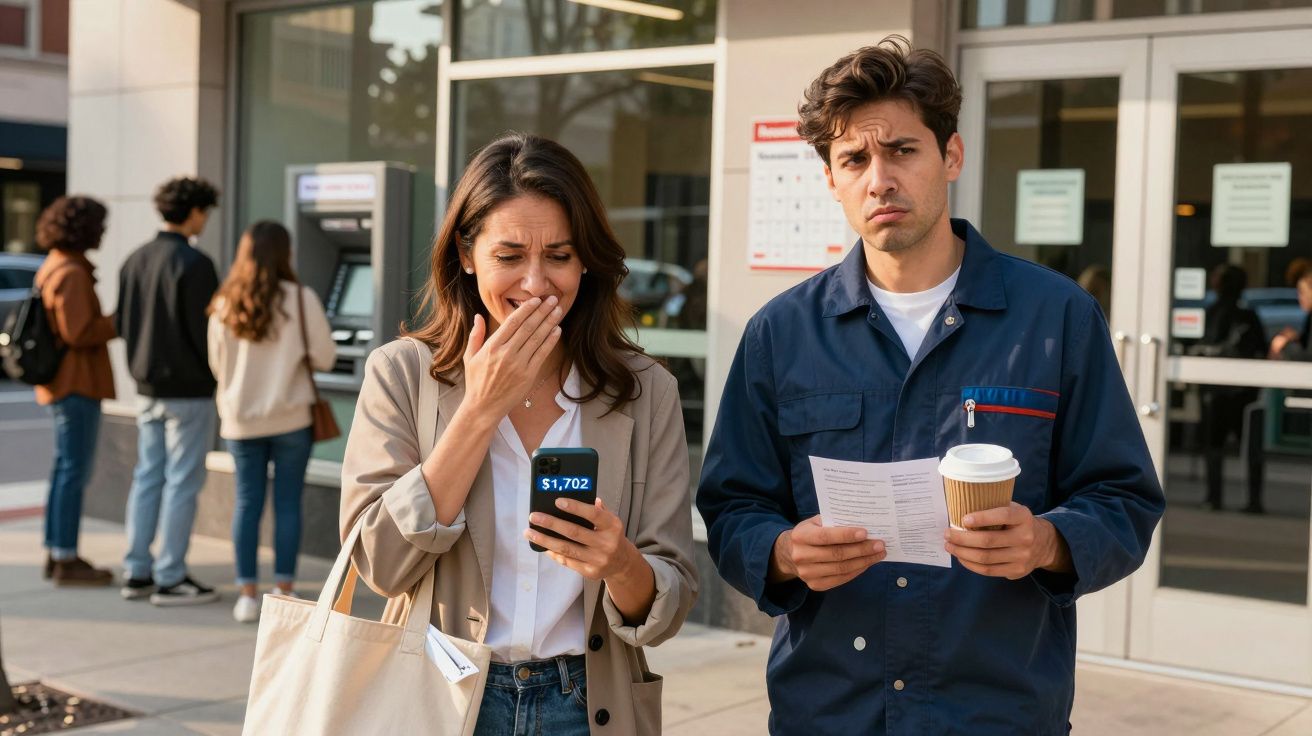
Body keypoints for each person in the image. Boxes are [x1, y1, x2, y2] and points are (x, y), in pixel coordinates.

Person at [696, 38, 1165, 734]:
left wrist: (1045, 542)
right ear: (831, 179)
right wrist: (783, 552)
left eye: (903, 151)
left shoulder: (1056, 318)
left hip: (996, 712)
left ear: (951, 156)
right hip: (829, 710)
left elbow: (1124, 500)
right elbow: (733, 506)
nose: (879, 178)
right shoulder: (780, 335)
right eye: (854, 159)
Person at [340, 133, 697, 736]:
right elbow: (377, 563)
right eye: (509, 256)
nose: (536, 284)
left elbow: (668, 604)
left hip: (587, 703)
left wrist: (621, 564)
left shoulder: (645, 390)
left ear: (586, 260)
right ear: (466, 254)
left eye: (559, 256)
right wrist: (479, 411)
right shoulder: (403, 373)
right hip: (441, 697)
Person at [207, 221, 336, 623]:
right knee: (287, 503)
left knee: (247, 503)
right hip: (291, 418)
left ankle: (246, 593)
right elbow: (326, 357)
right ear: (286, 254)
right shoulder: (301, 299)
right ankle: (283, 589)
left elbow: (217, 365)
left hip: (241, 421)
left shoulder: (224, 304)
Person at [115, 176, 222, 606]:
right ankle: (171, 574)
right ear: (194, 212)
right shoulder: (196, 264)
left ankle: (137, 569)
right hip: (189, 390)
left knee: (147, 477)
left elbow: (122, 323)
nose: (206, 221)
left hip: (146, 388)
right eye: (205, 213)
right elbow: (205, 335)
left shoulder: (134, 259)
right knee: (181, 481)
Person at [33, 196, 117, 586]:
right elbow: (79, 331)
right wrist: (119, 321)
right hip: (76, 383)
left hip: (60, 383)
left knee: (62, 469)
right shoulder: (72, 272)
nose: (103, 232)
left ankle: (57, 551)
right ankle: (66, 557)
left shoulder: (54, 264)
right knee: (72, 471)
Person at [1187, 264, 1265, 512]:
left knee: (1214, 445)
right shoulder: (1248, 314)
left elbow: (1204, 346)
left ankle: (1214, 497)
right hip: (1243, 391)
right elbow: (1259, 349)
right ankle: (1253, 500)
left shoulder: (1215, 312)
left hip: (1217, 392)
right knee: (1249, 446)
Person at [1269, 257, 1311, 361]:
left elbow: (1308, 358)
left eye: (1302, 292)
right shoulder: (1310, 317)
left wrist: (1285, 345)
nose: (1299, 297)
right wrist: (1296, 338)